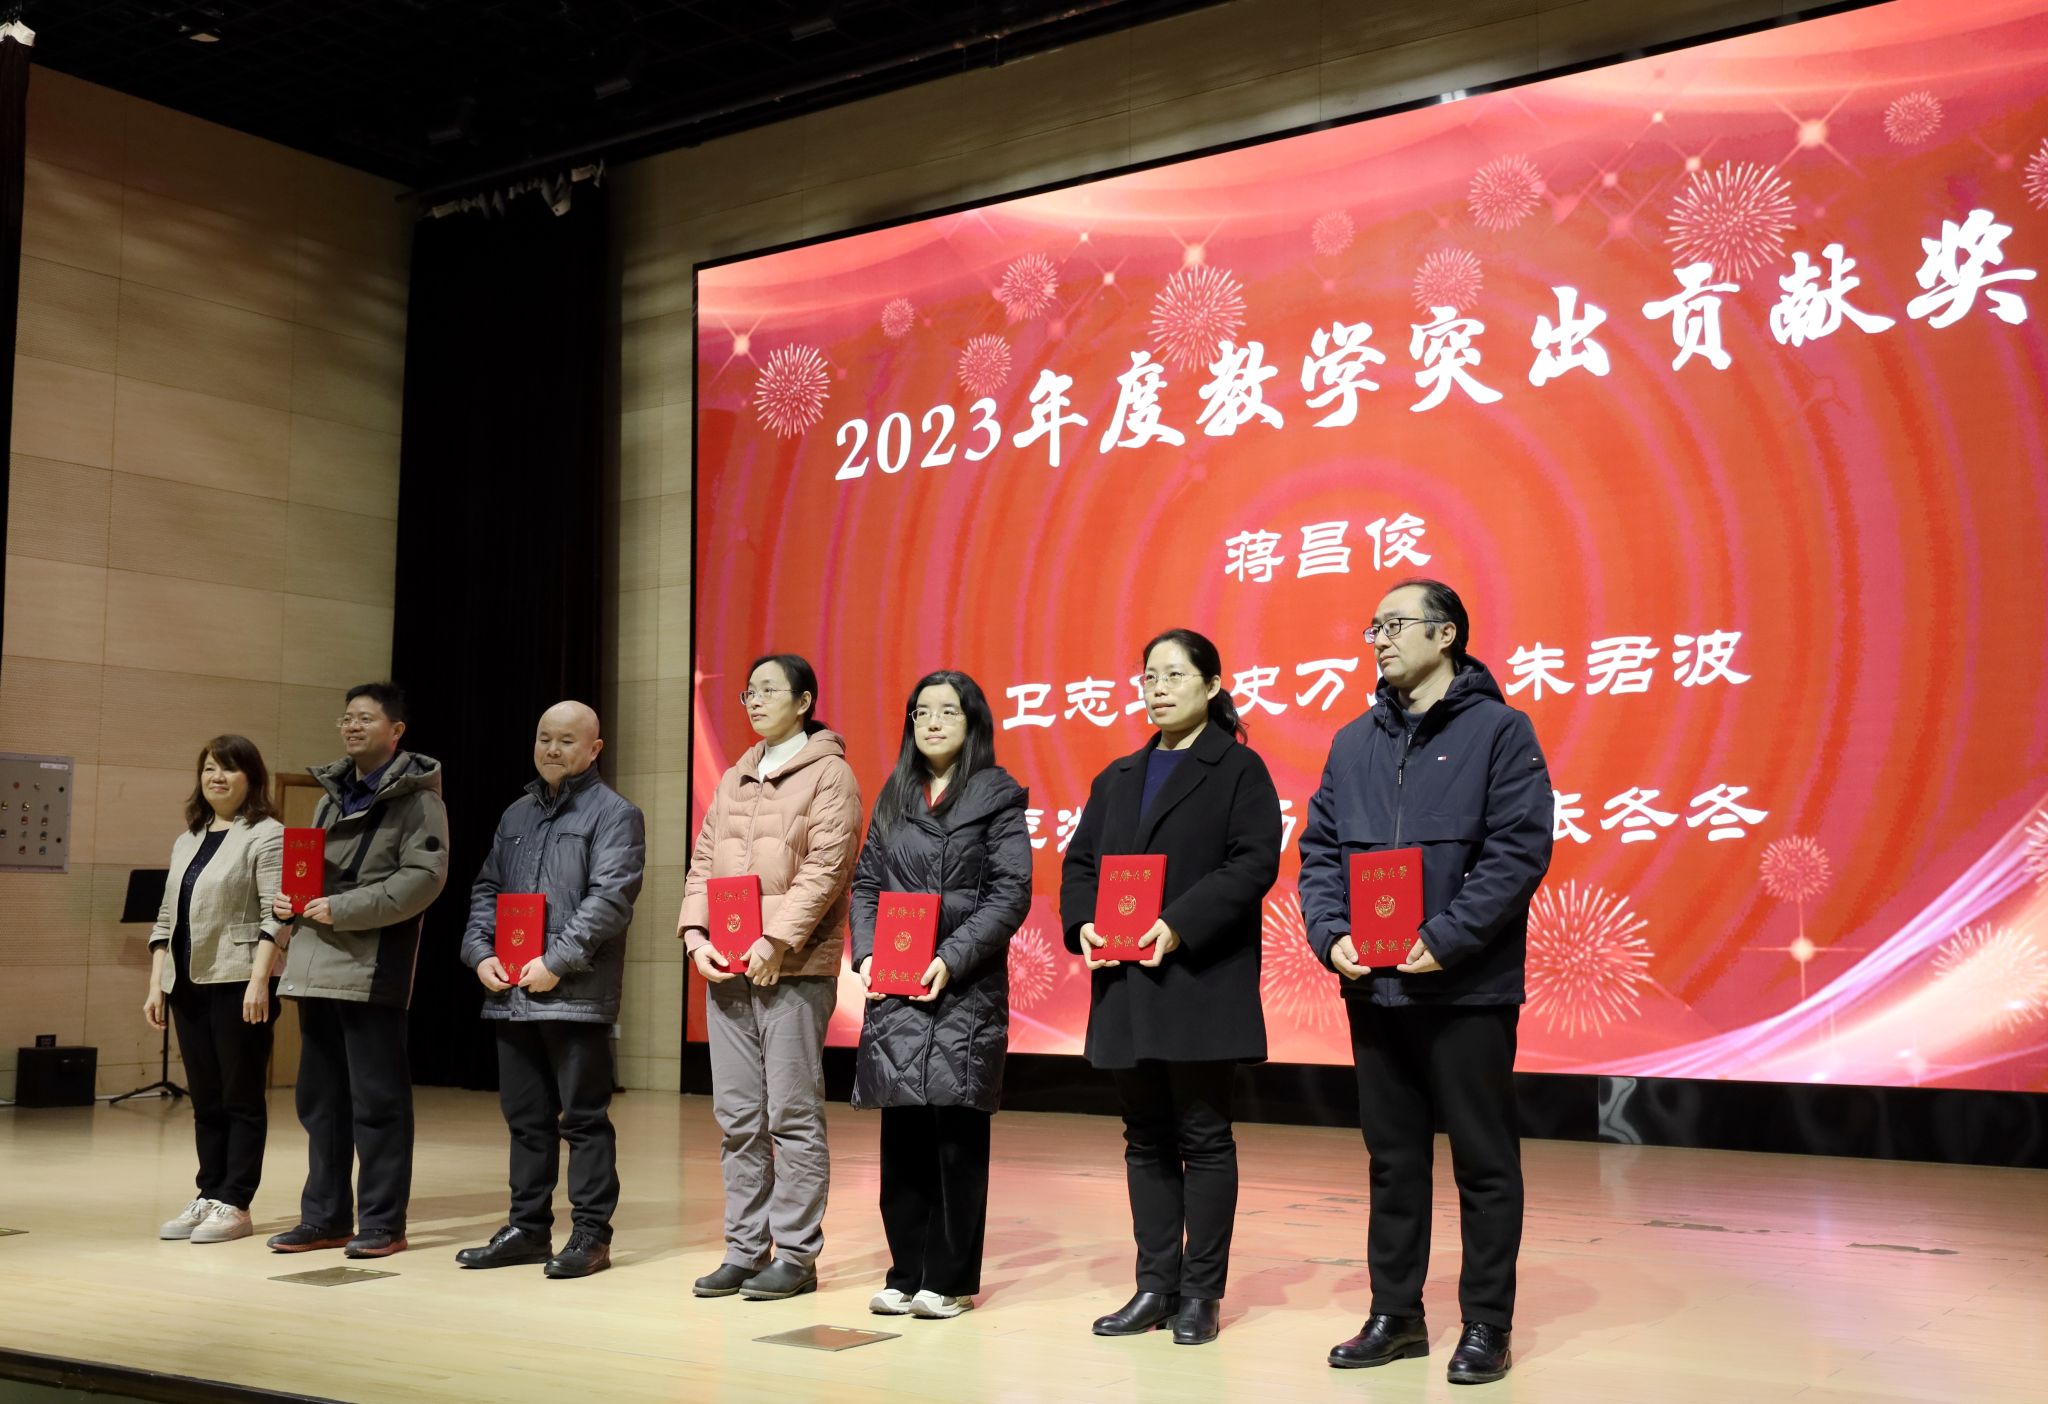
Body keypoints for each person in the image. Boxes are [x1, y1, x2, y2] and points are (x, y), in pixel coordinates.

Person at [1298, 579, 1553, 1386]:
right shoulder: (1352, 742)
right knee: (1392, 1161)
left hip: (1466, 985)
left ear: (1446, 635)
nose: (1378, 639)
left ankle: (1486, 1324)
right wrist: (1329, 934)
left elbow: (1518, 850)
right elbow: (1319, 851)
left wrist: (1445, 939)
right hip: (1376, 987)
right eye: (1373, 627)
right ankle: (1396, 1315)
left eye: (1395, 624)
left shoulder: (1501, 731)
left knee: (1483, 1161)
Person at [1059, 628, 1281, 1346]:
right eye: (1149, 676)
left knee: (1204, 1137)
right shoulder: (1118, 775)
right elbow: (1080, 865)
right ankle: (1155, 1285)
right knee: (1145, 1138)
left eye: (1174, 675)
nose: (1157, 688)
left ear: (1212, 686)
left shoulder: (1238, 769)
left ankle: (1201, 1293)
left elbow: (1254, 863)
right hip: (1125, 980)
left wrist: (1178, 925)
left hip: (1198, 976)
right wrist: (1083, 925)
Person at [677, 653, 862, 1301]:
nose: (753, 701)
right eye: (747, 692)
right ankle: (744, 1249)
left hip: (794, 967)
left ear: (804, 700)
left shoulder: (831, 774)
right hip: (728, 969)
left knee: (791, 1114)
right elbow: (704, 860)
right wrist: (695, 935)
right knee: (738, 1118)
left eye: (767, 690)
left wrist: (776, 938)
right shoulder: (735, 775)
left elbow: (827, 868)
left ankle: (797, 1255)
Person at [848, 670, 1032, 1319]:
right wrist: (867, 953)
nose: (931, 722)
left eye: (947, 711)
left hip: (964, 990)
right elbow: (866, 885)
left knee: (956, 1137)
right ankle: (905, 1273)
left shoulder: (997, 796)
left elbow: (1010, 893)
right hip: (896, 986)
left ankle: (949, 1281)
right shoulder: (896, 794)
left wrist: (950, 959)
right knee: (901, 1135)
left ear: (972, 723)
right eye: (921, 711)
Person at [456, 701, 645, 1279]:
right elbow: (486, 889)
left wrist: (556, 962)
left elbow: (610, 900)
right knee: (525, 1119)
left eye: (566, 740)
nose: (552, 750)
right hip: (511, 993)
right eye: (544, 738)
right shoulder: (516, 813)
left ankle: (590, 1234)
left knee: (583, 1120)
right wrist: (480, 952)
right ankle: (527, 1228)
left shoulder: (616, 814)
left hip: (575, 994)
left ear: (594, 749)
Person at [267, 682, 450, 1259]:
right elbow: (310, 871)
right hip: (316, 961)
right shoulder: (331, 795)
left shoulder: (419, 799)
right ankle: (324, 1218)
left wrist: (343, 907)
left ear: (396, 731)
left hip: (372, 966)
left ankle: (383, 1222)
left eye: (365, 719)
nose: (351, 726)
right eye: (346, 718)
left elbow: (423, 879)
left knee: (378, 1104)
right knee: (320, 1103)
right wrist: (290, 901)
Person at [145, 735, 287, 1245]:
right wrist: (157, 983)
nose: (216, 777)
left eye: (228, 768)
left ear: (251, 777)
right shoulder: (189, 838)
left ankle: (237, 1201)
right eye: (209, 768)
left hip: (239, 981)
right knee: (206, 1098)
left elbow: (277, 913)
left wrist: (260, 980)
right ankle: (209, 1191)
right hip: (186, 982)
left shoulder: (267, 834)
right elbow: (166, 916)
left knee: (240, 1096)